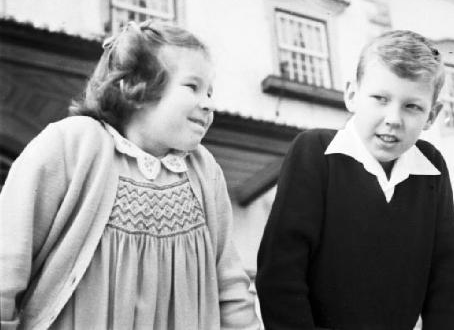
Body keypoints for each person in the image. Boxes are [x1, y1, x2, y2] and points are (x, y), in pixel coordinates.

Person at [0, 21, 260, 330]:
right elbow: (8, 257)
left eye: (210, 91)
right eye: (193, 86)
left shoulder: (205, 172)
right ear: (136, 86)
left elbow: (229, 285)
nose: (208, 103)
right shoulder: (72, 144)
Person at [256, 30, 454, 330]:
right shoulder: (315, 152)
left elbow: (447, 284)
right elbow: (281, 276)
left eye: (412, 106)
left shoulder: (431, 167)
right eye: (380, 99)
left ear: (432, 115)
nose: (393, 118)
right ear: (352, 95)